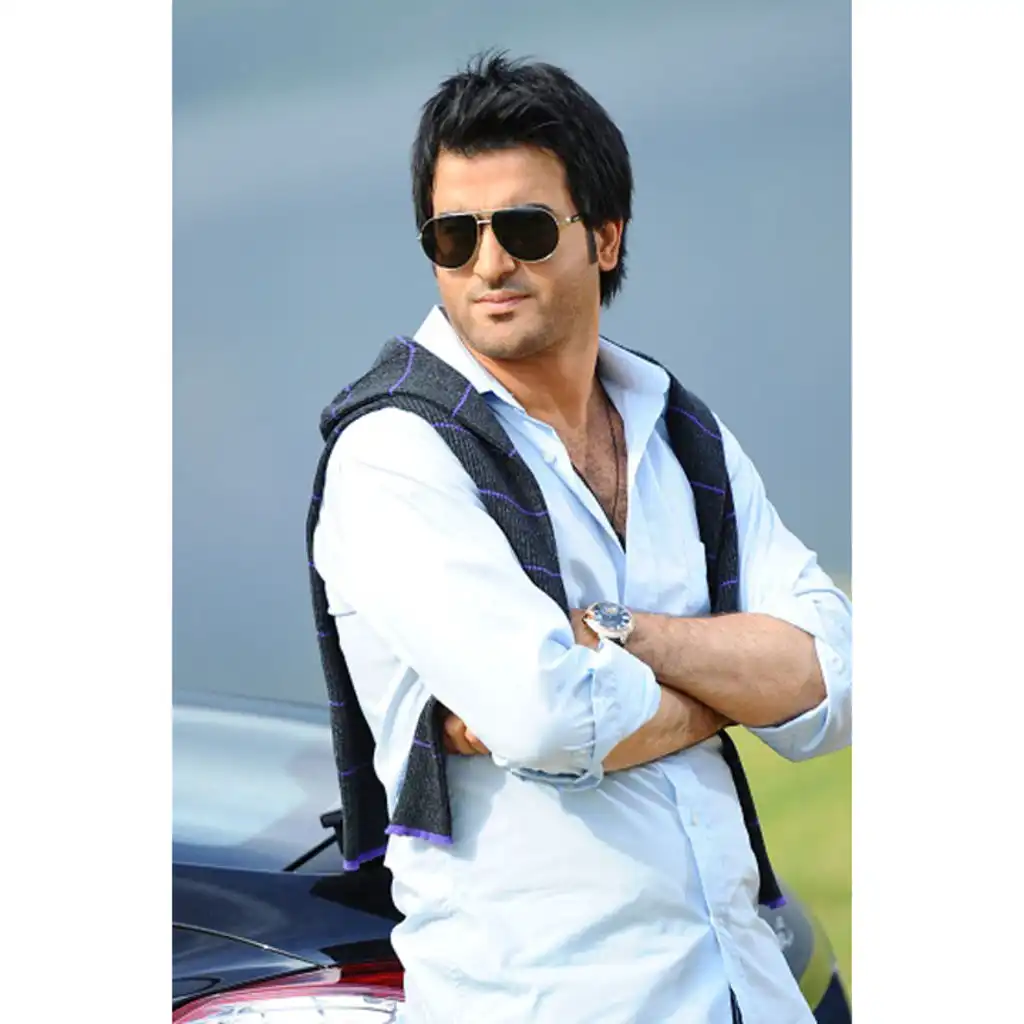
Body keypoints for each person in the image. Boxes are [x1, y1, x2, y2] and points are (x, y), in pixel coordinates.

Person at [308, 52, 852, 1024]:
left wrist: (616, 634)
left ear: (604, 237)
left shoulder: (677, 430)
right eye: (453, 235)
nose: (488, 264)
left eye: (522, 227)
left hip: (748, 986)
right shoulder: (394, 454)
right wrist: (736, 685)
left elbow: (833, 679)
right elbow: (549, 720)